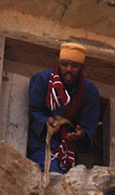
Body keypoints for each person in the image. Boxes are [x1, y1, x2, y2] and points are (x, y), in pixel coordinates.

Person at [26, 42, 101, 173]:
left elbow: (90, 125)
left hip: (69, 147)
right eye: (64, 64)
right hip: (42, 143)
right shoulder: (42, 80)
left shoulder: (90, 91)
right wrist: (46, 121)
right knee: (48, 173)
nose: (69, 69)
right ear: (58, 63)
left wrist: (81, 134)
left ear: (83, 67)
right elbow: (34, 111)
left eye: (75, 66)